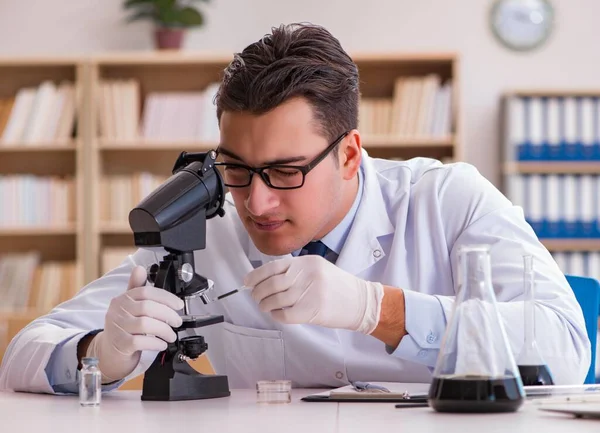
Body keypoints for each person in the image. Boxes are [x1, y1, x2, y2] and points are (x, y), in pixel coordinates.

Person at [0, 23, 591, 394]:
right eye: (236, 168)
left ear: (351, 155)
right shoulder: (208, 232)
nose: (256, 202)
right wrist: (99, 352)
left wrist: (376, 308)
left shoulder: (447, 200)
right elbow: (23, 353)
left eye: (286, 173)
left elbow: (565, 348)